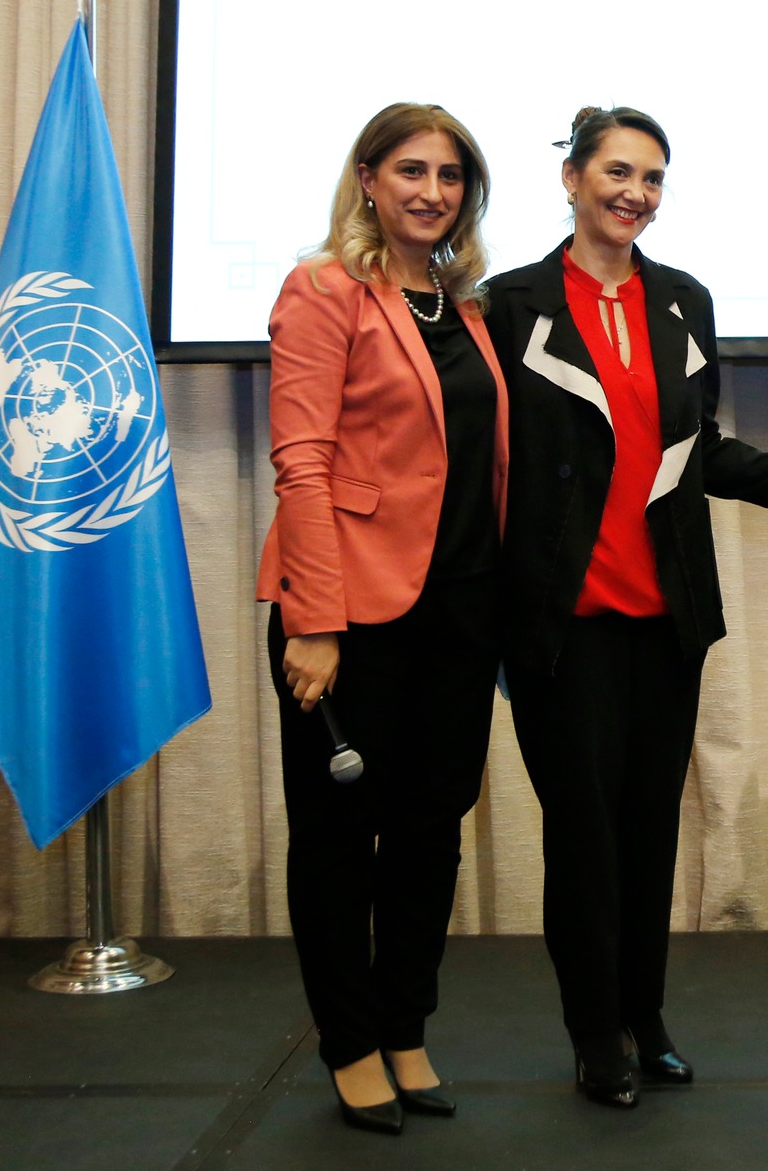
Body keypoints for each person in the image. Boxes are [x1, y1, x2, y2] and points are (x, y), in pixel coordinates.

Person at [481, 106, 768, 1109]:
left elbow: (703, 451)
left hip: (667, 616)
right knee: (584, 836)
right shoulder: (508, 303)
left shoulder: (683, 300)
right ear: (571, 178)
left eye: (652, 178)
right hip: (560, 622)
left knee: (649, 829)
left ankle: (644, 1017)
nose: (635, 194)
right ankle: (593, 1031)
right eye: (616, 172)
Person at [256, 103, 508, 1135]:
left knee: (429, 834)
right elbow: (301, 462)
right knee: (336, 842)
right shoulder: (323, 289)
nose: (431, 192)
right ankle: (350, 1042)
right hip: (350, 615)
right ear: (367, 178)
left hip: (459, 616)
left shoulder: (466, 306)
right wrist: (313, 620)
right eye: (411, 170)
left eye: (450, 176)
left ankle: (405, 1024)